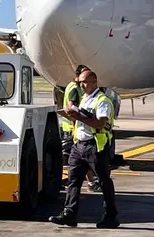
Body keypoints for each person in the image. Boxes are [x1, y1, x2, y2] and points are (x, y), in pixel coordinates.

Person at [50, 69, 120, 228]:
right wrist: (71, 116)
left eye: (84, 82)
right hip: (79, 145)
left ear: (94, 82)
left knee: (103, 182)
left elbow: (100, 123)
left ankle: (111, 216)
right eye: (80, 82)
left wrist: (78, 116)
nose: (81, 85)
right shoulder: (85, 98)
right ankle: (69, 214)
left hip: (95, 146)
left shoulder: (102, 101)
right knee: (73, 181)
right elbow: (82, 121)